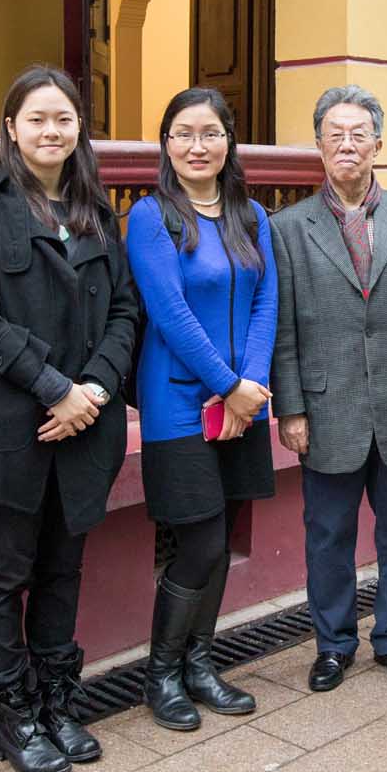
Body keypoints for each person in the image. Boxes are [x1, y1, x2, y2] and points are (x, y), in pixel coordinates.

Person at [0, 64, 140, 772]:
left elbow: (125, 311)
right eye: (37, 119)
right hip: (6, 431)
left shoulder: (96, 213)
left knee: (62, 569)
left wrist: (95, 389)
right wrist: (54, 388)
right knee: (5, 573)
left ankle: (58, 701)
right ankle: (16, 714)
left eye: (64, 119)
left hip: (86, 428)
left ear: (79, 128)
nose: (51, 131)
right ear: (11, 128)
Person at [270, 85, 387, 692]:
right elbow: (284, 328)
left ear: (378, 143)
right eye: (335, 134)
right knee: (328, 536)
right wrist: (291, 408)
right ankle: (333, 644)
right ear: (319, 145)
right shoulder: (287, 228)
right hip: (326, 409)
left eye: (359, 134)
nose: (347, 145)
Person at [126, 87, 277, 732]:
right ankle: (161, 674)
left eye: (210, 133)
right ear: (166, 144)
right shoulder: (150, 217)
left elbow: (267, 301)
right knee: (201, 539)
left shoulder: (252, 215)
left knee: (221, 540)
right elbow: (170, 314)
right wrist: (226, 384)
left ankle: (201, 665)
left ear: (228, 142)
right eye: (184, 134)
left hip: (243, 403)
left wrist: (251, 384)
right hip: (179, 403)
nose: (198, 146)